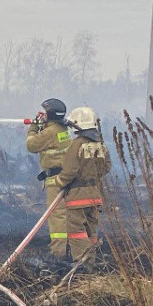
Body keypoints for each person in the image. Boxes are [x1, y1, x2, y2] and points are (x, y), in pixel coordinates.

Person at [55, 106, 110, 261]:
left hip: (78, 196)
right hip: (95, 194)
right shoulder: (101, 145)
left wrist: (59, 182)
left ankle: (82, 259)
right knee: (91, 228)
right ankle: (91, 261)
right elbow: (106, 167)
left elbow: (70, 170)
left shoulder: (77, 144)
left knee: (76, 228)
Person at [25, 97, 73, 259]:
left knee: (57, 216)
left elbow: (31, 145)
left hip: (55, 180)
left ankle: (58, 253)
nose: (43, 115)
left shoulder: (50, 132)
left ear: (51, 114)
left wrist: (34, 127)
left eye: (45, 113)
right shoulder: (62, 129)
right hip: (66, 177)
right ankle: (71, 249)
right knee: (67, 215)